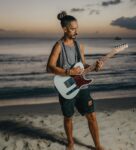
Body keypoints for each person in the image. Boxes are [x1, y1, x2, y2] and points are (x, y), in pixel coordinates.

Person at [46, 11, 104, 150]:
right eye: (73, 29)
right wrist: (69, 72)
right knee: (68, 117)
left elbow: (82, 66)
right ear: (65, 29)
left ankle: (97, 145)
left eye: (77, 28)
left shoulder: (80, 46)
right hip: (66, 87)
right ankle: (70, 142)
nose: (76, 31)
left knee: (92, 116)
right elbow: (49, 67)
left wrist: (94, 67)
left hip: (82, 87)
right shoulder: (59, 46)